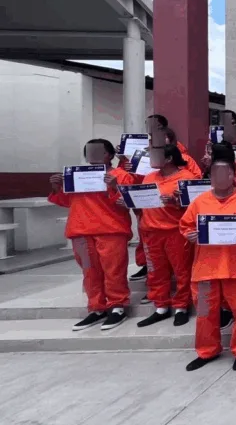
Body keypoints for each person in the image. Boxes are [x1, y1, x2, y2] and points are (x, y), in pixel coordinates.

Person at [179, 156, 236, 371]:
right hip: (206, 267)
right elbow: (186, 225)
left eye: (226, 173)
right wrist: (190, 235)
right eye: (215, 174)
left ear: (234, 176)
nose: (221, 177)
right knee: (205, 312)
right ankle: (207, 351)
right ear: (210, 176)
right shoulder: (200, 201)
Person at [48, 139, 135, 331]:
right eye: (89, 152)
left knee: (114, 271)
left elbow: (128, 203)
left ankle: (117, 306)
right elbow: (66, 201)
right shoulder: (76, 176)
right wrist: (57, 187)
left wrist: (115, 187)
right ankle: (97, 308)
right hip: (81, 232)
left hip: (111, 231)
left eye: (99, 152)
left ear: (110, 155)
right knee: (89, 273)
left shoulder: (121, 175)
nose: (93, 156)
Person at [124, 144, 194, 328]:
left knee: (182, 271)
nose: (151, 159)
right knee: (156, 272)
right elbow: (142, 202)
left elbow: (195, 207)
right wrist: (129, 201)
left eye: (155, 155)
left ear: (169, 158)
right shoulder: (149, 177)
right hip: (151, 232)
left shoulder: (187, 178)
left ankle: (181, 307)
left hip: (175, 231)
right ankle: (161, 306)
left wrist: (175, 201)